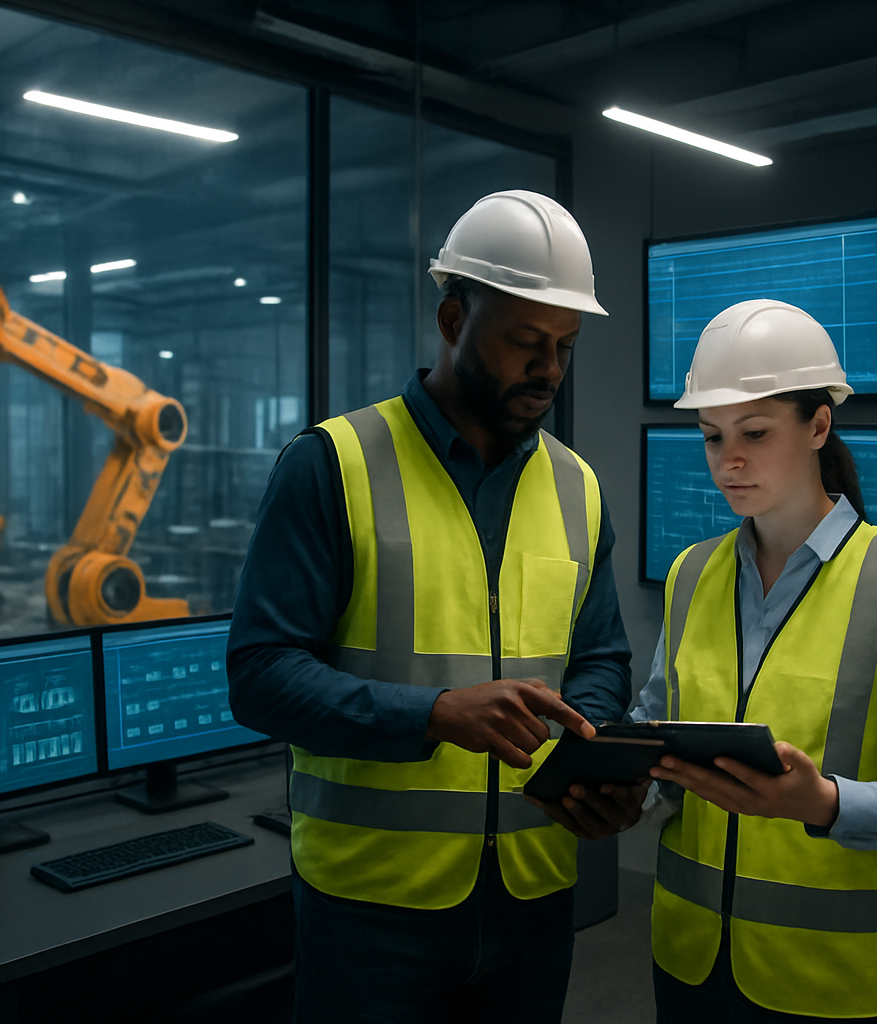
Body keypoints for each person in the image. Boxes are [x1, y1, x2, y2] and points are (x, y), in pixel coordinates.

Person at [226, 190, 644, 1023]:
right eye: (526, 342)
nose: (550, 370)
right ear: (453, 319)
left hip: (533, 897)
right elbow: (260, 675)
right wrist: (434, 715)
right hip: (372, 909)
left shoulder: (577, 486)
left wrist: (587, 757)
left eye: (565, 346)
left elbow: (599, 657)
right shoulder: (331, 465)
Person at [635, 299, 877, 1023]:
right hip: (691, 964)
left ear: (819, 426)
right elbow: (655, 729)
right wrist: (612, 776)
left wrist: (824, 803)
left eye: (755, 433)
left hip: (836, 982)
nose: (728, 461)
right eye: (712, 436)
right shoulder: (691, 575)